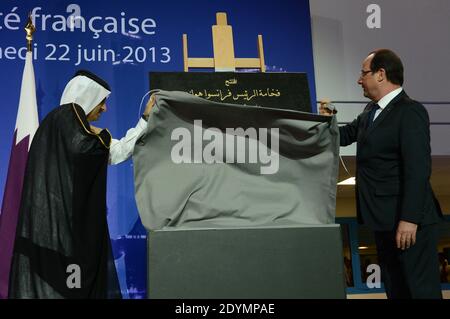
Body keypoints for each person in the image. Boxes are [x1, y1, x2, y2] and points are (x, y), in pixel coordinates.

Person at [8, 70, 154, 298]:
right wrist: (109, 137)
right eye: (102, 102)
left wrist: (144, 121)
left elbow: (112, 152)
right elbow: (94, 149)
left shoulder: (69, 126)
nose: (104, 109)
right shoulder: (66, 119)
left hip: (56, 235)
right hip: (63, 236)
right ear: (87, 98)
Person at [321, 49, 443, 299]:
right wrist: (327, 121)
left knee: (419, 292)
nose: (359, 80)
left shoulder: (410, 111)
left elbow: (417, 169)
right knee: (396, 290)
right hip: (384, 221)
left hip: (410, 223)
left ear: (380, 74)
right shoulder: (369, 112)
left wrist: (409, 219)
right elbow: (343, 137)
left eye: (363, 73)